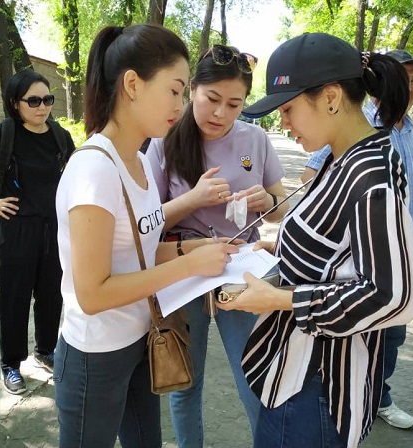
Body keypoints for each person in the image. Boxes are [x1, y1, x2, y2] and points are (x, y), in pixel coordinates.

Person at [218, 32, 413, 448]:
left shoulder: (369, 175)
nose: (284, 123)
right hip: (298, 375)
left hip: (316, 386)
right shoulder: (341, 156)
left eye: (288, 109)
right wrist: (284, 249)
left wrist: (279, 299)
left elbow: (393, 296)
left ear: (331, 98)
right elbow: (345, 249)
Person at [54, 25, 239, 448]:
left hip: (141, 339)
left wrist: (194, 248)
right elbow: (92, 294)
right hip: (95, 356)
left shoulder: (137, 162)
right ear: (133, 84)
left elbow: (139, 250)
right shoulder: (95, 169)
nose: (180, 105)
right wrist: (188, 266)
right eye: (174, 90)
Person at [146, 44, 288, 447]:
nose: (221, 113)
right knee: (185, 383)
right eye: (211, 98)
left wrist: (267, 200)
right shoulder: (163, 141)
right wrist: (193, 199)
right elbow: (147, 225)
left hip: (241, 268)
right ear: (192, 89)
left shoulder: (255, 139)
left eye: (234, 104)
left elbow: (281, 208)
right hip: (184, 268)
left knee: (254, 376)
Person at [301, 49, 413, 430]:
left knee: (392, 334)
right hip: (364, 257)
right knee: (361, 330)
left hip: (405, 252)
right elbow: (312, 174)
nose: (410, 87)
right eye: (403, 78)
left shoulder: (408, 128)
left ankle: (377, 396)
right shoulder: (359, 123)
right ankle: (348, 399)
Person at [0, 69, 75, 395]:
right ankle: (11, 365)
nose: (42, 106)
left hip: (54, 230)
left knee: (51, 295)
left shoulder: (60, 136)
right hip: (17, 231)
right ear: (15, 103)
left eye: (47, 99)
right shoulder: (3, 134)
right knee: (14, 299)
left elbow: (74, 175)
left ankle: (46, 351)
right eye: (33, 101)